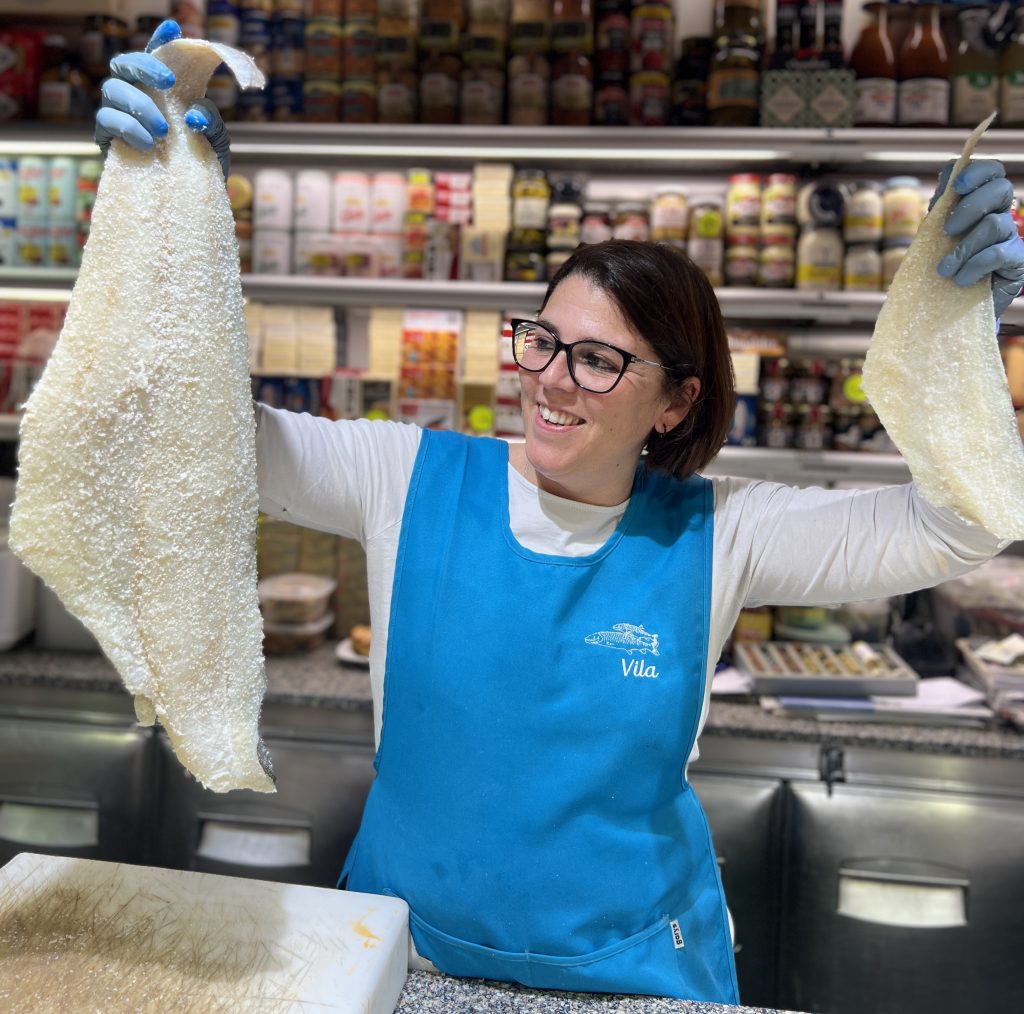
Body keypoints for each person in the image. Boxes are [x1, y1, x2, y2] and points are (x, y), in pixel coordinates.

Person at [95, 20, 1024, 1005]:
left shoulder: (722, 530)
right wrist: (165, 219)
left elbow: (961, 525)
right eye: (542, 340)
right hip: (411, 957)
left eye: (598, 360)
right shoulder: (407, 477)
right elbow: (185, 439)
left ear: (674, 402)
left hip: (633, 974)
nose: (549, 381)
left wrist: (965, 337)